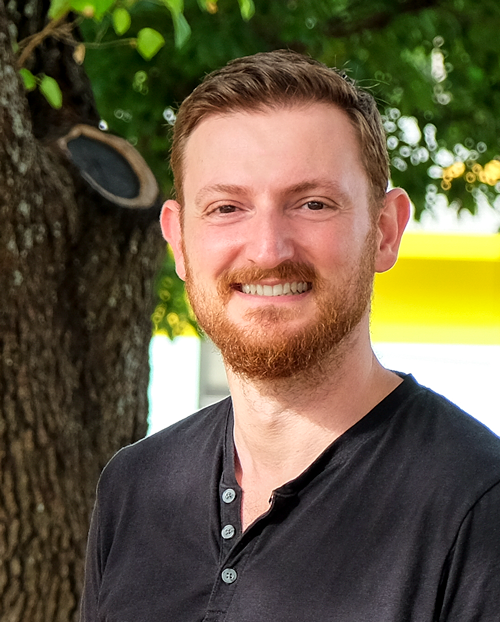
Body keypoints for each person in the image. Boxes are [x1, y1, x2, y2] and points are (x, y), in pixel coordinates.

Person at [80, 50, 500, 622]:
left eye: (312, 204)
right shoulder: (134, 490)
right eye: (227, 207)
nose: (268, 250)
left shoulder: (476, 508)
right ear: (179, 242)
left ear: (384, 231)